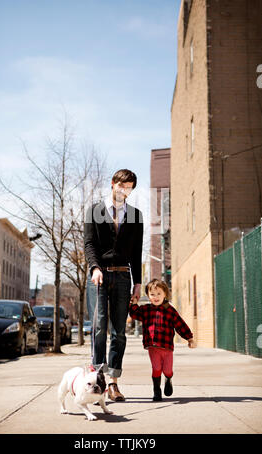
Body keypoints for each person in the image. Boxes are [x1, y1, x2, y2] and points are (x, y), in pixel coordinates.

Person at [84, 169, 143, 402]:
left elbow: (137, 253)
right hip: (99, 276)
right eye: (121, 185)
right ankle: (96, 380)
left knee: (119, 332)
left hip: (122, 277)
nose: (124, 189)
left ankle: (112, 383)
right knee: (99, 327)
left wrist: (137, 283)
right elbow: (89, 244)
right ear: (113, 184)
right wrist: (95, 267)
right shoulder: (95, 211)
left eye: (128, 186)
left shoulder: (136, 215)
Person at [129, 278, 195, 401]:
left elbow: (180, 324)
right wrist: (133, 303)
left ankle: (168, 379)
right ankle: (156, 391)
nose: (156, 297)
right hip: (153, 347)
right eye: (152, 294)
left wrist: (189, 338)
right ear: (148, 296)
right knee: (157, 368)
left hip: (167, 347)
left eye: (159, 293)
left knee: (167, 370)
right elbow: (134, 314)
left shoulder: (170, 310)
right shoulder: (146, 310)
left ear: (165, 294)